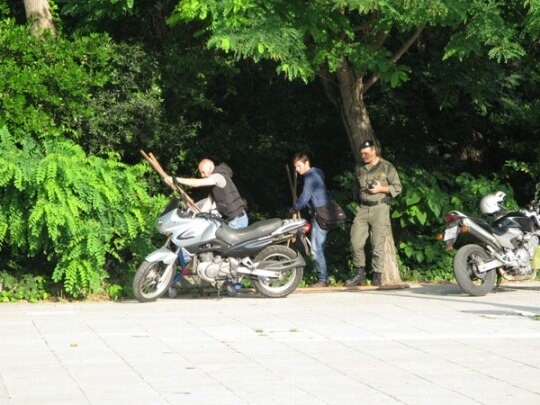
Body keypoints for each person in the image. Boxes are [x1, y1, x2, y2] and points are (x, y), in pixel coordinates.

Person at [346, 140, 402, 287]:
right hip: (363, 208)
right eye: (361, 154)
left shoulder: (386, 166)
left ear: (374, 151)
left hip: (380, 208)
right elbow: (355, 187)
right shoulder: (359, 167)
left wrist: (380, 189)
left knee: (377, 243)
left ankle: (377, 276)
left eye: (366, 153)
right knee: (355, 241)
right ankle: (360, 274)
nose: (363, 156)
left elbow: (398, 187)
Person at [167, 159, 248, 229]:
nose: (202, 175)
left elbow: (197, 183)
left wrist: (176, 179)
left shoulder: (218, 177)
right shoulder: (214, 186)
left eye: (203, 172)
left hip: (237, 221)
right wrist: (196, 215)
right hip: (234, 220)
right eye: (201, 173)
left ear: (210, 168)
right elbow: (208, 203)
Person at [291, 153, 331, 287]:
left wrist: (294, 207)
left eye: (299, 166)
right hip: (323, 213)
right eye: (295, 167)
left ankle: (322, 279)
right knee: (320, 246)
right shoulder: (318, 173)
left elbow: (305, 197)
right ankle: (323, 277)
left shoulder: (310, 176)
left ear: (307, 163)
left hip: (320, 214)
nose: (297, 169)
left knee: (316, 248)